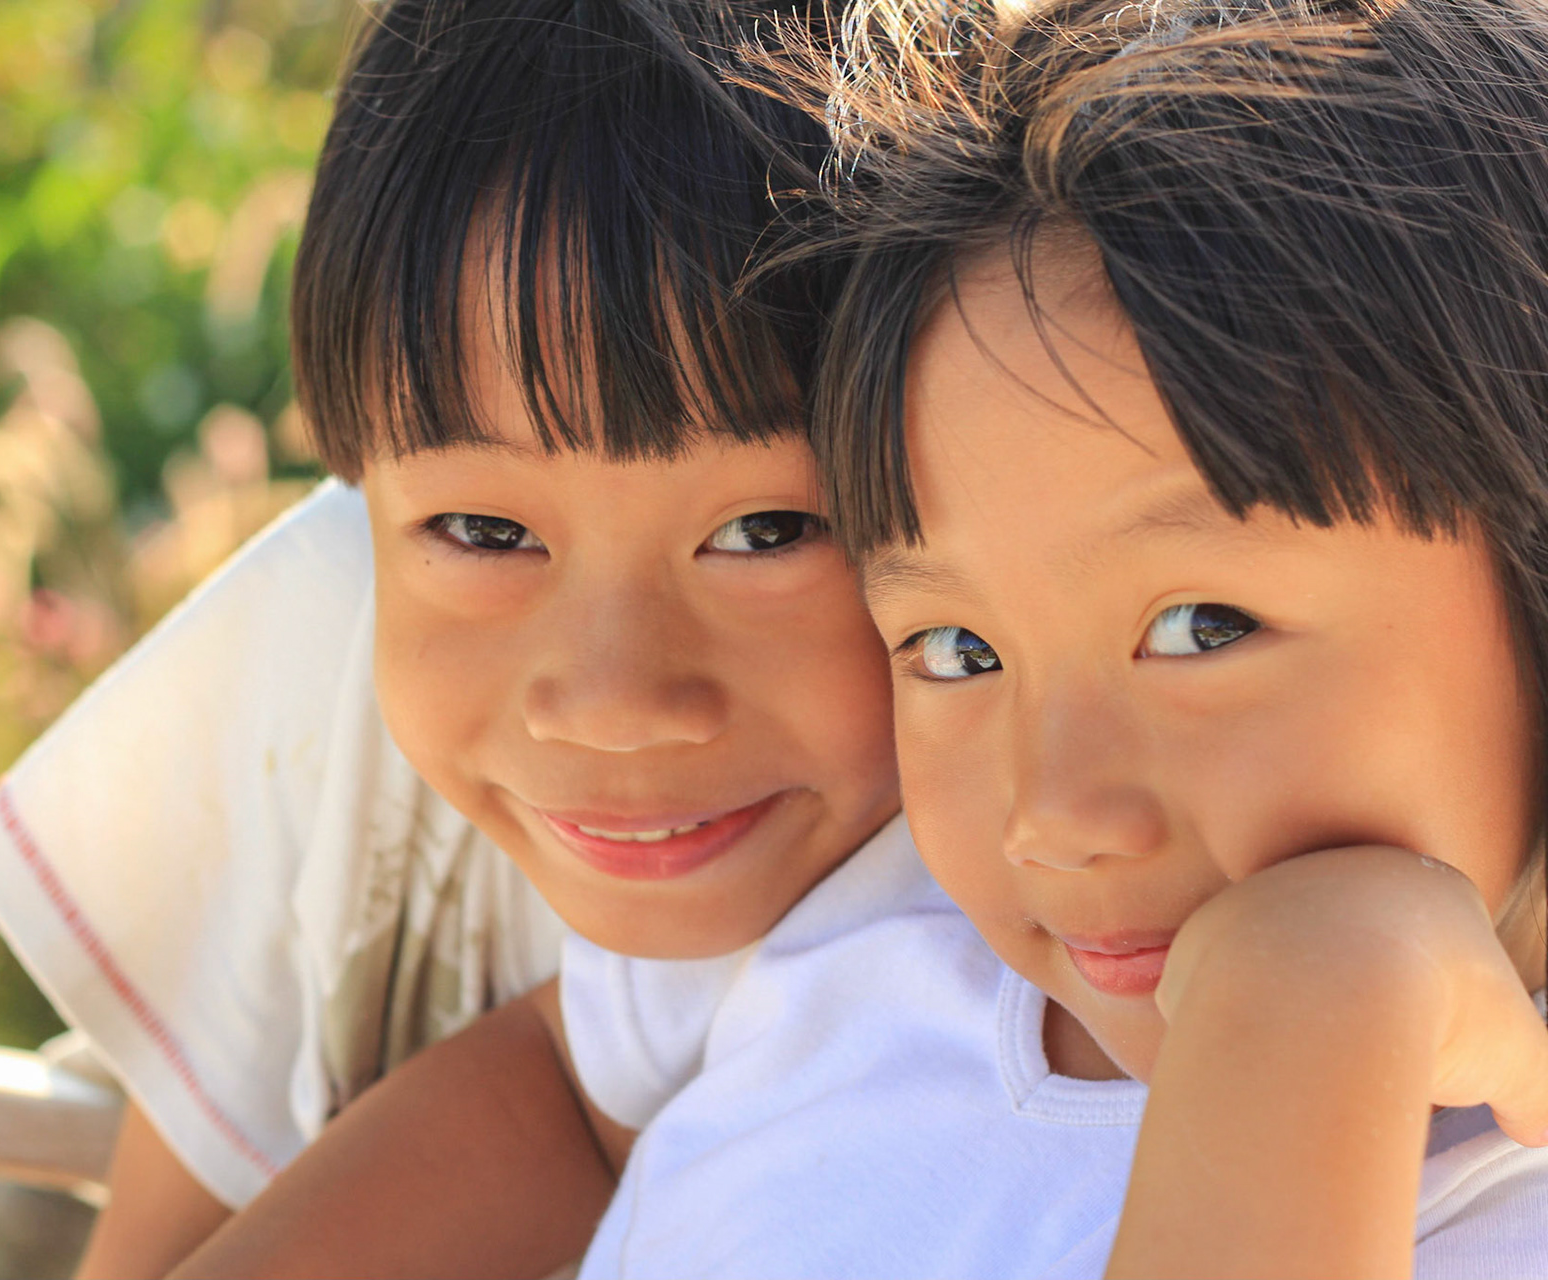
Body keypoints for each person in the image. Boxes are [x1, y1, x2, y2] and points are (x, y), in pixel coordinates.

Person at [565, 0, 1548, 1274]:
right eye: (958, 651)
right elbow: (553, 1087)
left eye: (1202, 628)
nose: (1052, 813)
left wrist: (1313, 1002)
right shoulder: (869, 917)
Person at [0, 0, 900, 1274]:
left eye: (771, 530)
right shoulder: (326, 660)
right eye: (485, 532)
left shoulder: (1091, 863)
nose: (613, 700)